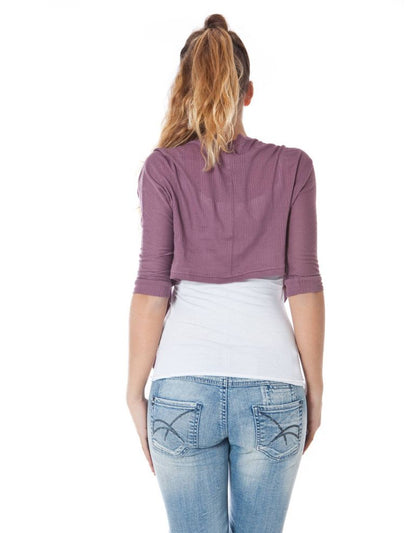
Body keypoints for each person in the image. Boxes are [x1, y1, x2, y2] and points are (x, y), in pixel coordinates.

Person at [126, 13, 325, 533]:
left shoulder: (162, 168)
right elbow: (304, 286)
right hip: (273, 385)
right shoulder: (293, 167)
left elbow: (152, 289)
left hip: (182, 386)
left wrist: (133, 390)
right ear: (248, 93)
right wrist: (315, 387)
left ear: (187, 89)